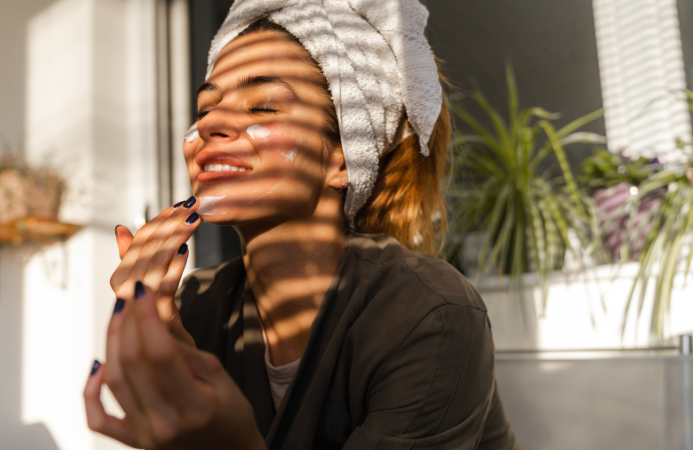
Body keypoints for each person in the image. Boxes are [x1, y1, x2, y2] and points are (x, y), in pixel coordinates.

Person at [84, 1, 520, 449]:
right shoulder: (196, 306)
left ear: (343, 158)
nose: (210, 123)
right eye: (205, 107)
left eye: (265, 107)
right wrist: (169, 352)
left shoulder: (428, 315)